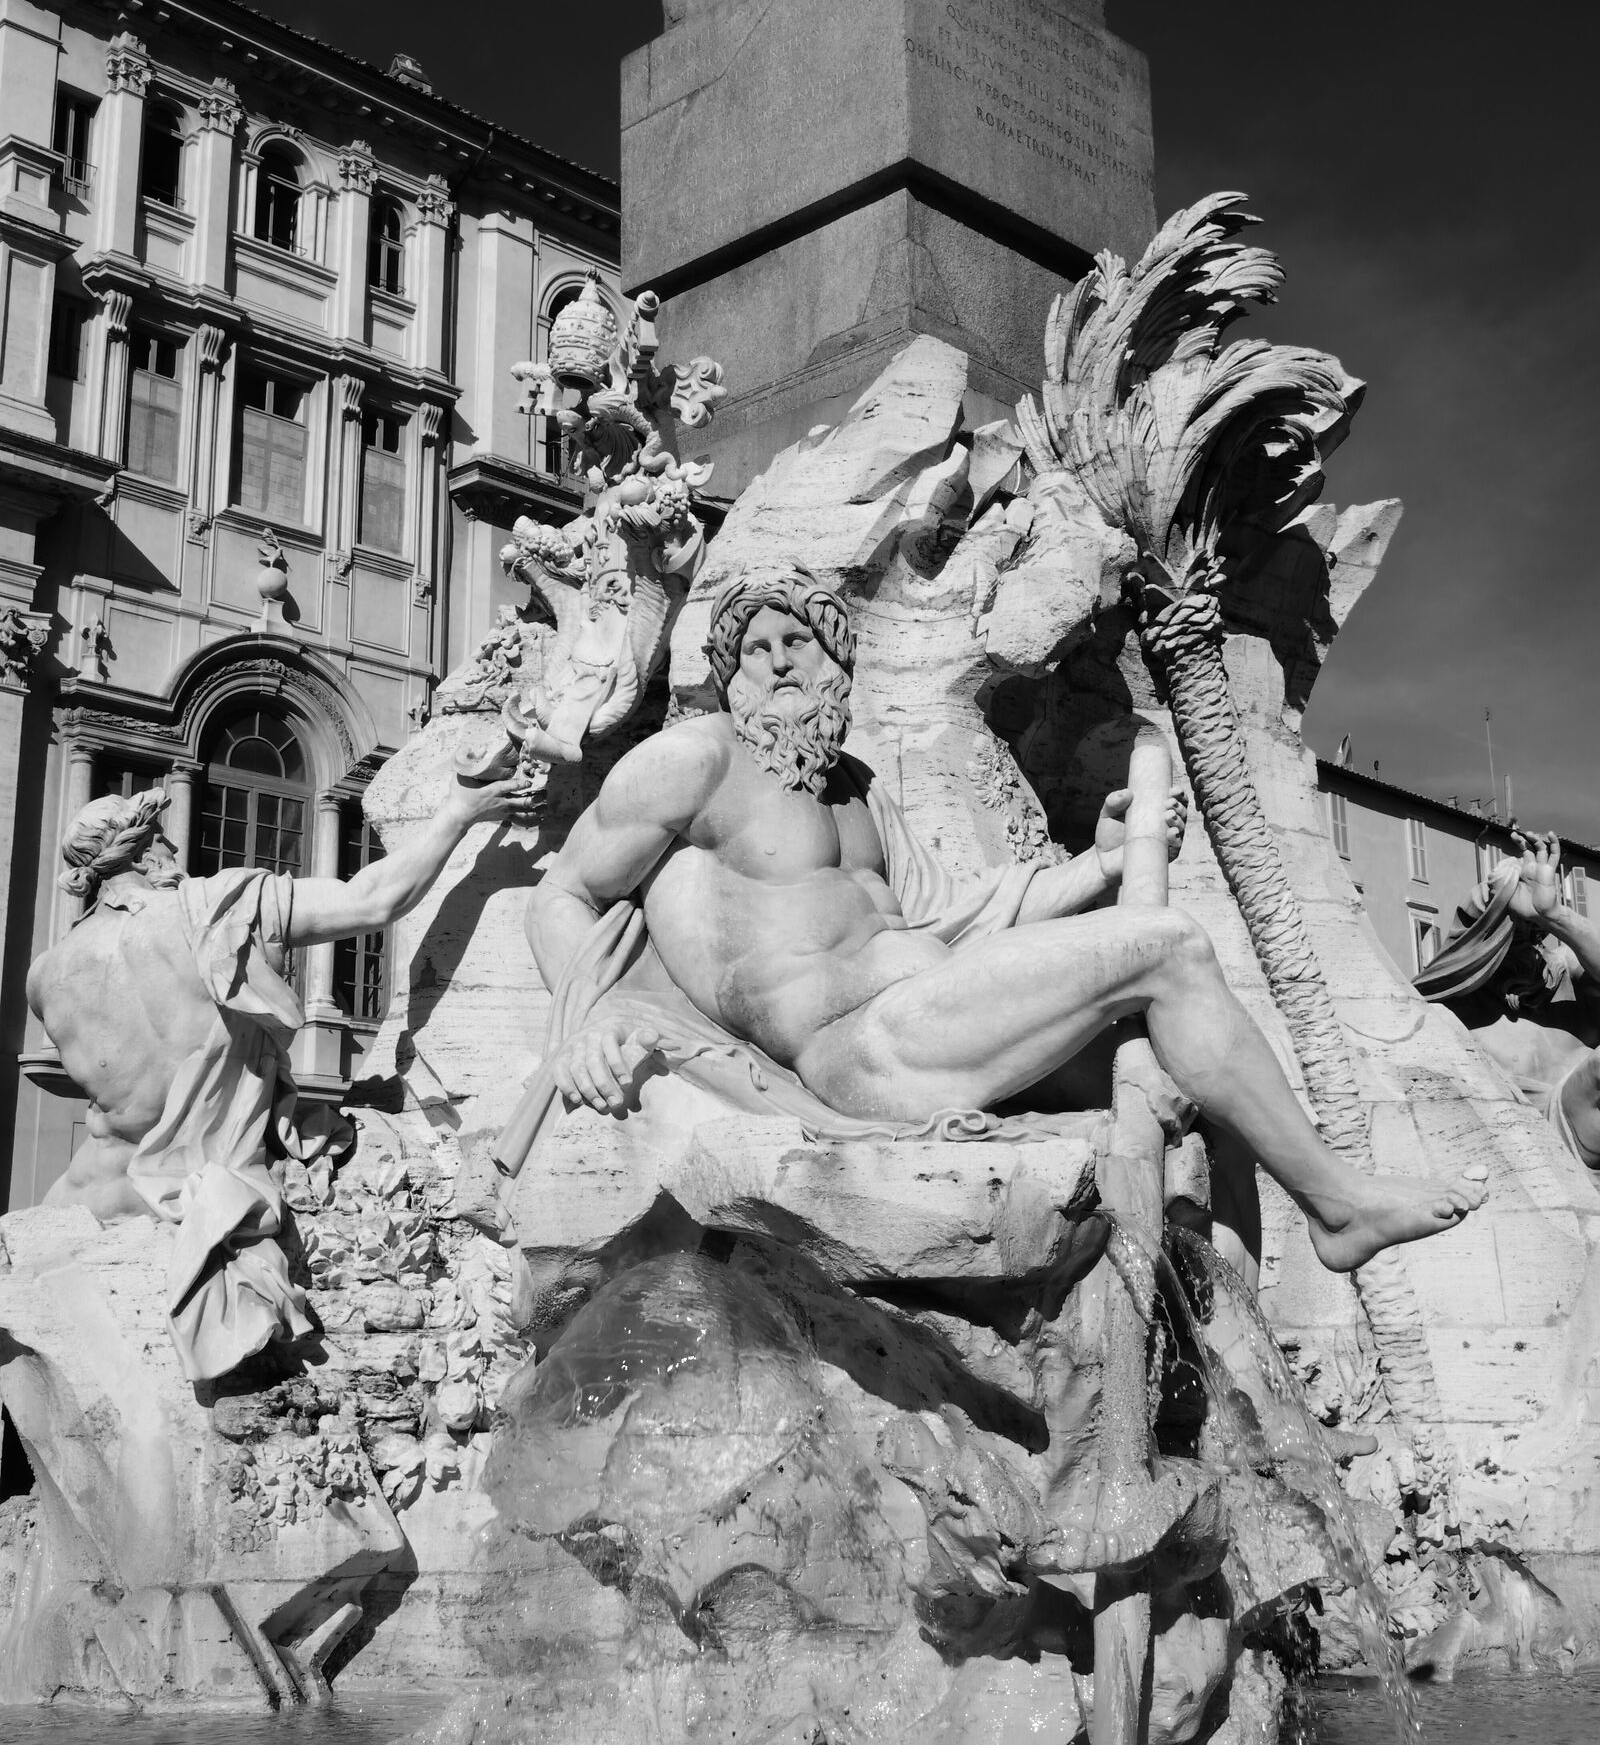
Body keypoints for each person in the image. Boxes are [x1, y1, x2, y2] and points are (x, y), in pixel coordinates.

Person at [527, 568, 1487, 1273]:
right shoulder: (696, 759)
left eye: (799, 641)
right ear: (729, 672)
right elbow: (564, 892)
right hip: (856, 1054)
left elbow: (962, 916)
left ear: (836, 661)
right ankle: (1338, 1203)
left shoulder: (855, 790)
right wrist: (591, 1020)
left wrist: (1101, 866)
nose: (778, 661)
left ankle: (1231, 1350)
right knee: (1170, 949)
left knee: (1203, 1092)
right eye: (756, 648)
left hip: (930, 1012)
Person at [27, 756, 536, 1381]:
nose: (172, 847)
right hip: (199, 1202)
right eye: (160, 835)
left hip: (84, 1204)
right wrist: (459, 812)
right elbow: (374, 899)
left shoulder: (46, 973)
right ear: (141, 852)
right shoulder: (216, 908)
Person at [1415, 829, 1600, 1169]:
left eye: (1536, 934)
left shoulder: (1565, 977)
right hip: (1542, 1145)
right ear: (1483, 944)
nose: (1531, 949)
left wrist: (1554, 915)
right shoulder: (1455, 1015)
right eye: (1514, 935)